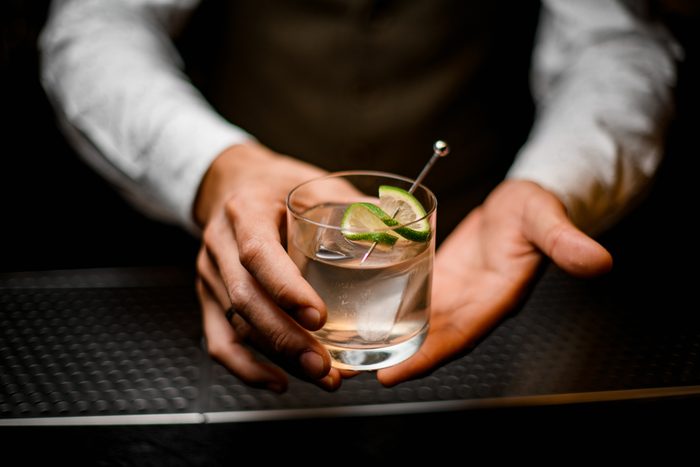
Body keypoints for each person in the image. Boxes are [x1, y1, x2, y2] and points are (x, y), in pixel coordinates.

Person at [39, 0, 680, 393]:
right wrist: (215, 169)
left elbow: (615, 39)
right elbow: (96, 23)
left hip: (478, 264)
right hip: (217, 277)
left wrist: (553, 179)